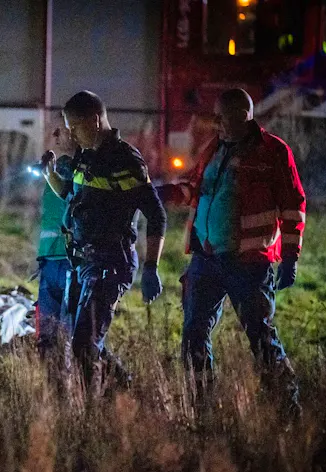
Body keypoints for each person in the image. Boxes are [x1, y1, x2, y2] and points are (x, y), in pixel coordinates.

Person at [161, 88, 305, 415]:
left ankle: (288, 409)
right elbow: (194, 187)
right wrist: (163, 191)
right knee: (193, 333)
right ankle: (202, 409)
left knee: (260, 337)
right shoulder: (214, 147)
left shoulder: (272, 152)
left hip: (249, 264)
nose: (215, 122)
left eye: (221, 116)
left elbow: (293, 206)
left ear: (242, 115)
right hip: (207, 260)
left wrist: (290, 257)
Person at [42, 91, 167, 392]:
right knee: (83, 340)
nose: (71, 134)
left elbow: (157, 215)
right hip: (85, 263)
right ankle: (128, 393)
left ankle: (95, 417)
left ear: (95, 121)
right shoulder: (86, 156)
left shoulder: (125, 159)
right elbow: (70, 194)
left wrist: (151, 267)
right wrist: (49, 175)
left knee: (84, 344)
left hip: (112, 262)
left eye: (75, 126)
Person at [35, 129, 75, 352]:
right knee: (49, 336)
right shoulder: (56, 170)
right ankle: (53, 383)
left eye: (63, 132)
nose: (56, 136)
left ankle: (117, 378)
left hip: (71, 262)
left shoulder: (82, 171)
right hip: (50, 260)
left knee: (72, 336)